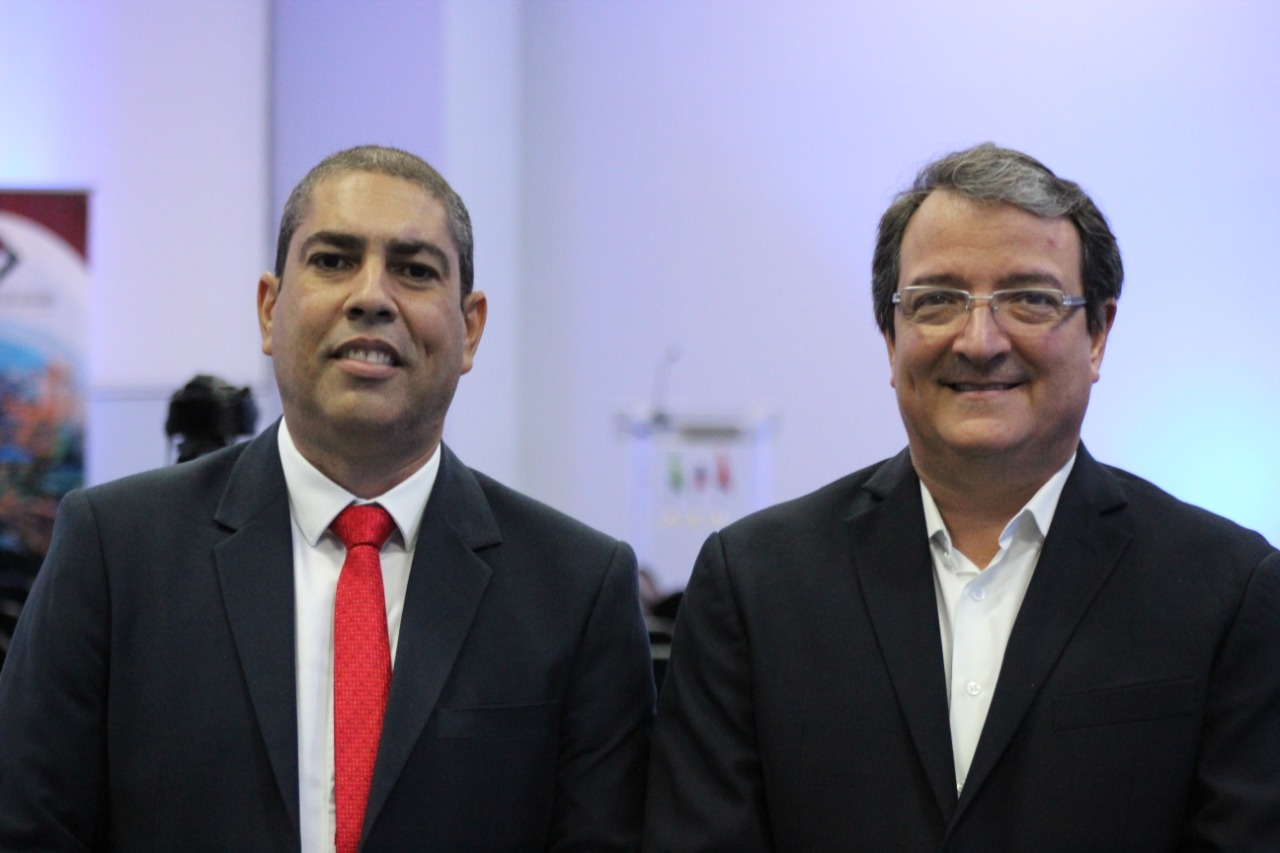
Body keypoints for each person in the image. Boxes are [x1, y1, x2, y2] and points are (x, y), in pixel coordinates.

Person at [0, 145, 655, 851]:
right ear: (269, 309)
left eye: (414, 269)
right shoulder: (115, 551)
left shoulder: (576, 590)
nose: (371, 296)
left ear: (470, 328)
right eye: (334, 260)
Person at [642, 143, 1280, 850]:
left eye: (1031, 299)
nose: (980, 341)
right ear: (891, 340)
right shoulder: (753, 584)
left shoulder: (1227, 591)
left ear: (1098, 334)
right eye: (938, 300)